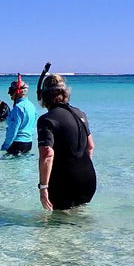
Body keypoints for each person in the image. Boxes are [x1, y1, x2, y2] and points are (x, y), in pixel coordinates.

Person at [36, 73, 96, 211]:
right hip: (88, 180)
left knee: (58, 227)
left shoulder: (46, 120)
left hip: (64, 183)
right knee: (78, 223)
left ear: (44, 96)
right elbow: (90, 147)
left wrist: (43, 188)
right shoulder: (80, 114)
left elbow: (47, 154)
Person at [1, 75, 36, 155]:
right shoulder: (32, 106)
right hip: (28, 143)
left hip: (17, 143)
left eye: (11, 90)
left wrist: (6, 145)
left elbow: (13, 129)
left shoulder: (18, 108)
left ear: (17, 92)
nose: (9, 93)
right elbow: (32, 127)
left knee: (9, 167)